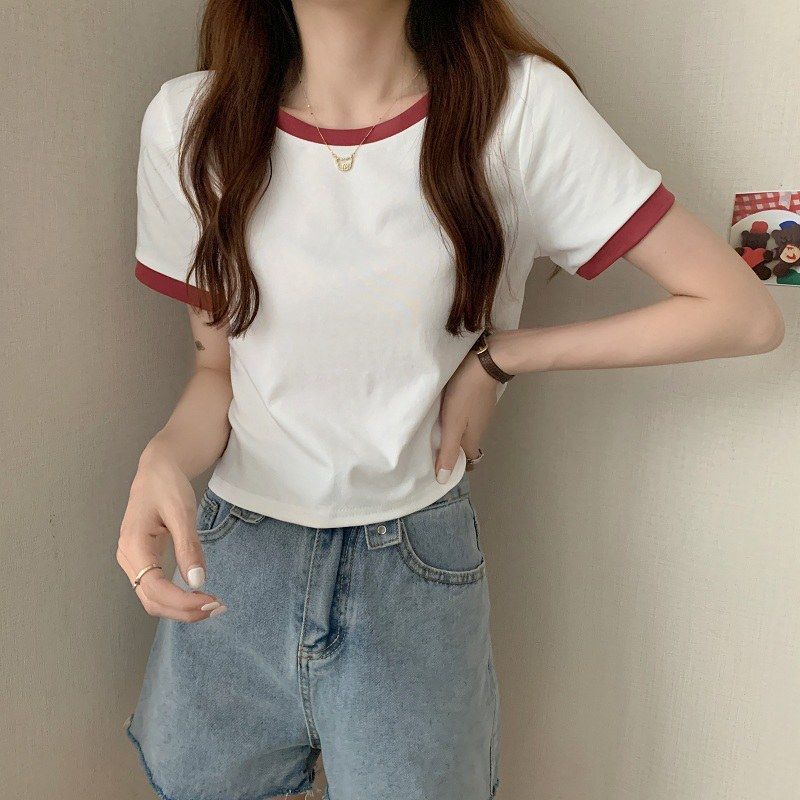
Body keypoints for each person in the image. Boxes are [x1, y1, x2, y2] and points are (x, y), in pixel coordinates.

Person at [117, 2, 784, 799]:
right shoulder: (190, 122)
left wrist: (503, 357)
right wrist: (162, 457)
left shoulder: (518, 111)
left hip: (410, 571)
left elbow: (739, 312)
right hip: (231, 567)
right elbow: (216, 372)